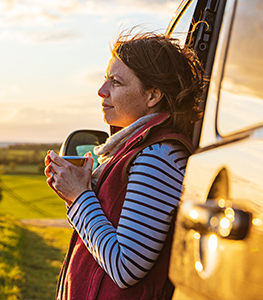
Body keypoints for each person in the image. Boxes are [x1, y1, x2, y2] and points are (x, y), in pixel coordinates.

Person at [44, 30, 204, 300]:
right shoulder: (138, 150)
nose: (101, 90)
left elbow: (126, 266)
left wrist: (79, 196)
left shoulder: (157, 156)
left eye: (116, 82)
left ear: (152, 96)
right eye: (105, 79)